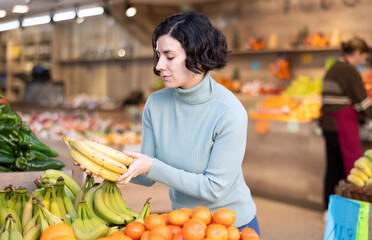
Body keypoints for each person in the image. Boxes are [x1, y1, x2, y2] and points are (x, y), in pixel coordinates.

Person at [77, 11, 260, 233]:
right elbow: (146, 176)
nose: (159, 66)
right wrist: (100, 164)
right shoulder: (156, 103)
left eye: (169, 57)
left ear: (198, 57)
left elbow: (214, 189)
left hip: (231, 227)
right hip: (182, 225)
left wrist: (153, 167)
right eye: (158, 55)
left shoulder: (229, 112)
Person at [319, 37, 372, 214]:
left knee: (332, 169)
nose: (363, 61)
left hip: (328, 125)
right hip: (342, 126)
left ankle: (328, 210)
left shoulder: (332, 68)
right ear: (357, 53)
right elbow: (362, 102)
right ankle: (352, 210)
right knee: (353, 168)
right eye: (364, 57)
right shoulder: (349, 71)